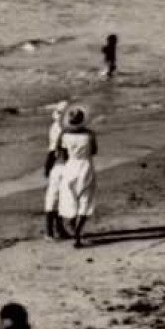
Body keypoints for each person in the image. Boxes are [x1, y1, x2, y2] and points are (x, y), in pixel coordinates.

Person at [56, 106, 98, 248]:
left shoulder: (64, 135)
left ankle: (74, 229)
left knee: (69, 198)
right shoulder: (90, 134)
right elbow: (94, 151)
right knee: (85, 199)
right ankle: (78, 233)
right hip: (85, 165)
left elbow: (61, 154)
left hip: (70, 166)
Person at [44, 148, 71, 240]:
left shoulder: (58, 134)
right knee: (61, 199)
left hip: (59, 167)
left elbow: (52, 153)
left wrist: (47, 168)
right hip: (70, 167)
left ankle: (50, 231)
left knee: (52, 199)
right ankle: (59, 229)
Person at [43, 101, 69, 177]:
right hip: (59, 149)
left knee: (53, 150)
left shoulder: (55, 125)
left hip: (56, 148)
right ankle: (48, 169)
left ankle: (48, 170)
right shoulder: (60, 126)